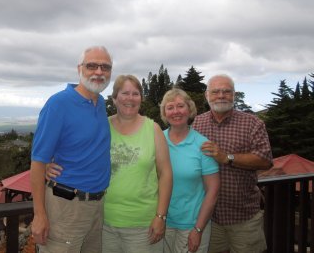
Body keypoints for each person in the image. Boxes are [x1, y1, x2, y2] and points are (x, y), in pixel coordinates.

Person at [47, 75, 173, 253]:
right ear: (114, 98)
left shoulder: (153, 129)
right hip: (102, 222)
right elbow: (73, 148)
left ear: (141, 99)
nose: (130, 98)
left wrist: (161, 216)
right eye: (125, 93)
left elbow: (166, 174)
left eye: (135, 94)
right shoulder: (101, 126)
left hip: (143, 225)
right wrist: (48, 164)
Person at [30, 46, 113, 253]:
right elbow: (38, 162)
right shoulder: (58, 104)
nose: (99, 72)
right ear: (79, 69)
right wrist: (39, 215)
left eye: (105, 67)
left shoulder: (100, 103)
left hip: (97, 206)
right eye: (92, 66)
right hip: (66, 208)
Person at [192, 74, 273, 253]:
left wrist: (227, 158)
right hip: (208, 218)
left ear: (234, 95)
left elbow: (266, 160)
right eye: (215, 92)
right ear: (207, 96)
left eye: (226, 91)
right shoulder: (198, 122)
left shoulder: (252, 123)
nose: (221, 95)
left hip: (243, 217)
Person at [160, 88, 220, 253]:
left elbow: (212, 192)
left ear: (190, 109)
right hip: (161, 222)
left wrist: (198, 229)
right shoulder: (157, 140)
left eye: (180, 106)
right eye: (170, 107)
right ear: (164, 112)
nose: (176, 111)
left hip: (192, 225)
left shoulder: (203, 145)